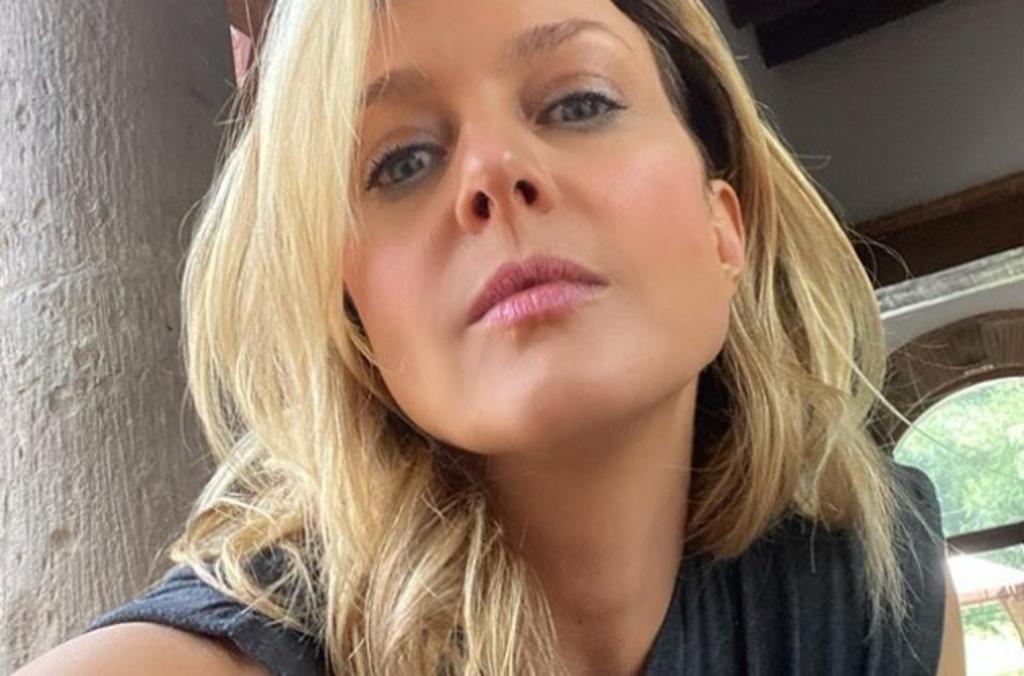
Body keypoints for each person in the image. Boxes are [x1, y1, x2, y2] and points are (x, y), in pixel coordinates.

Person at [16, 0, 966, 674]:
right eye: (401, 161)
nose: (494, 171)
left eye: (578, 102)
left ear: (725, 227)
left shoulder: (875, 590)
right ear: (358, 318)